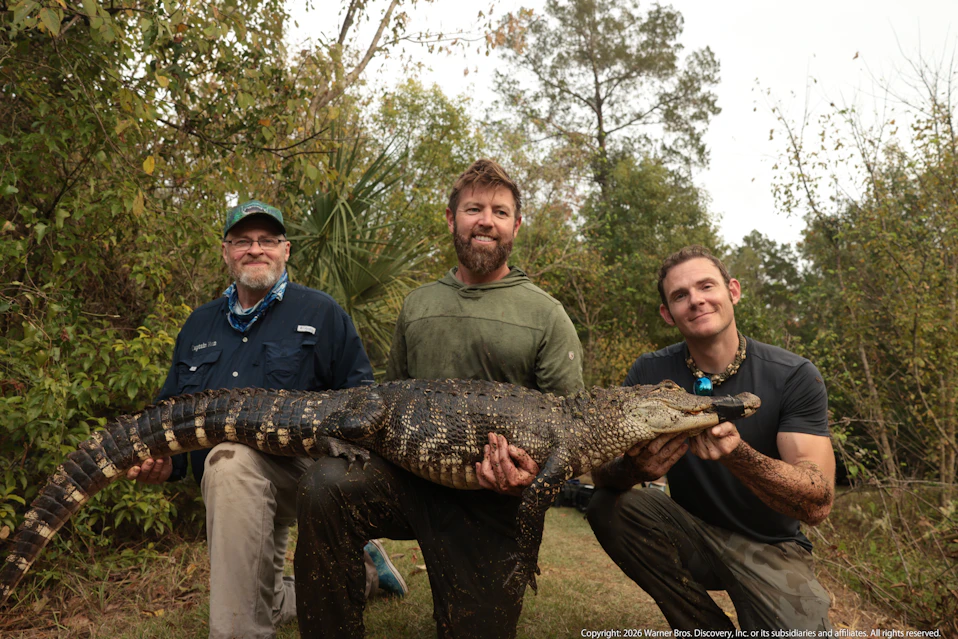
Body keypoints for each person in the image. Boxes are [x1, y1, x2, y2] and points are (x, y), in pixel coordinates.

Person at [294, 159, 584, 639]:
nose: (485, 220)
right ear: (452, 219)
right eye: (473, 208)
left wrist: (526, 475)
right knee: (324, 486)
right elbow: (391, 398)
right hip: (410, 481)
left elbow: (569, 430)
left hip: (491, 502)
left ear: (515, 225)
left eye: (499, 211)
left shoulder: (547, 315)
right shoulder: (419, 304)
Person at [125, 200, 398, 639]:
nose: (256, 249)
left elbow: (363, 402)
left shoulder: (322, 313)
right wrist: (164, 463)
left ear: (285, 250)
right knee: (261, 598)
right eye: (243, 241)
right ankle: (367, 575)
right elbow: (171, 414)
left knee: (230, 460)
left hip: (306, 473)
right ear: (226, 251)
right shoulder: (198, 325)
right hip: (232, 489)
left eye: (267, 240)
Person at [587, 245, 834, 632]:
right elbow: (601, 471)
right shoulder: (650, 373)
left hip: (772, 547)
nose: (696, 301)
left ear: (732, 291)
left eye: (706, 286)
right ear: (668, 314)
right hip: (690, 533)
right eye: (680, 295)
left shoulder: (794, 375)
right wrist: (631, 468)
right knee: (610, 506)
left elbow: (818, 502)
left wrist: (740, 456)